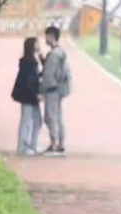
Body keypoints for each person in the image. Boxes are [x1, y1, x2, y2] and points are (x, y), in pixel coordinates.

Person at [40, 25, 71, 155]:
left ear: (51, 36)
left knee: (50, 117)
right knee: (58, 116)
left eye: (47, 36)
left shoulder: (53, 55)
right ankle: (61, 143)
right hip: (60, 88)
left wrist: (42, 91)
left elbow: (48, 74)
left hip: (52, 89)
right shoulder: (60, 52)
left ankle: (54, 143)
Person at [11, 37, 42, 156]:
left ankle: (31, 145)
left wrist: (41, 55)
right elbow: (30, 81)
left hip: (30, 96)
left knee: (36, 121)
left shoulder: (30, 61)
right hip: (28, 96)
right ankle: (23, 146)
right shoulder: (29, 62)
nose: (39, 45)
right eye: (37, 43)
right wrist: (36, 95)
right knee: (27, 121)